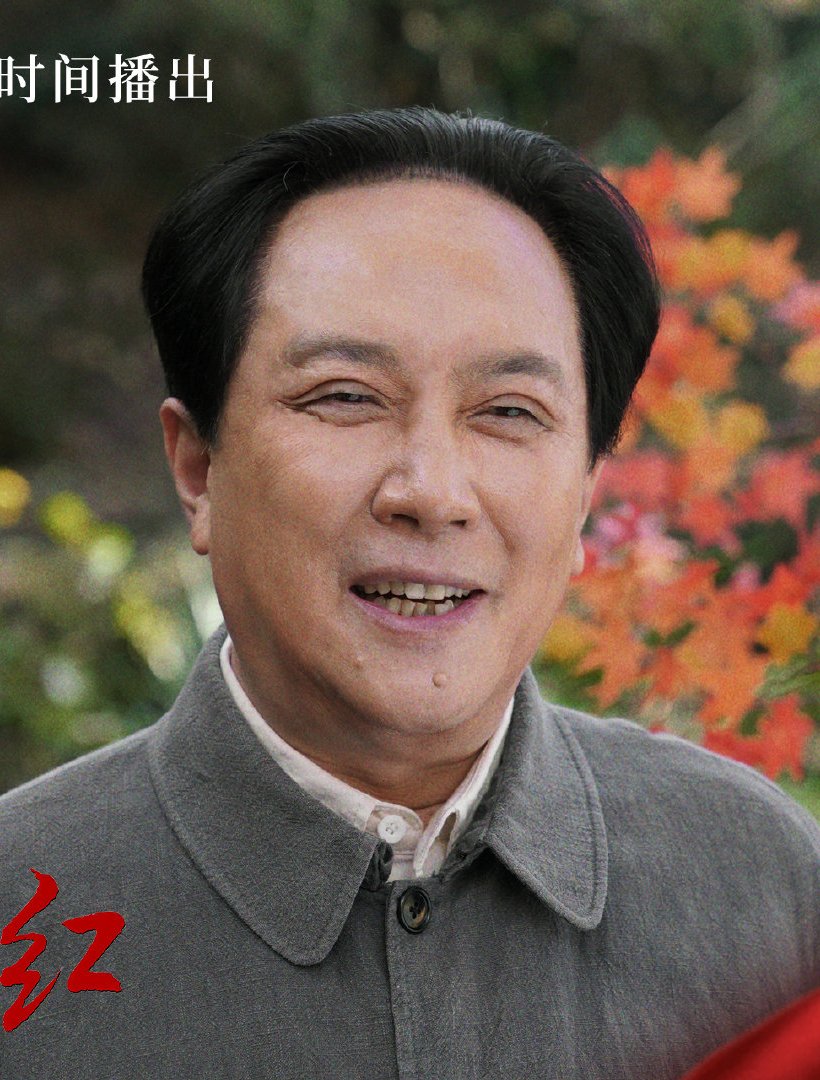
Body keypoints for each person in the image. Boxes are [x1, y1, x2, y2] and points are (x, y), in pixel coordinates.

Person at [0, 107, 817, 1079]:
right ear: (197, 468)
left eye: (508, 411)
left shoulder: (763, 885)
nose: (431, 491)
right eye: (346, 396)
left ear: (585, 493)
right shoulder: (23, 909)